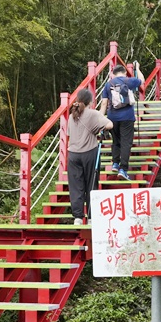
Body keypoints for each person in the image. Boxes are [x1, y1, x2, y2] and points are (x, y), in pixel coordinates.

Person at [67, 88, 112, 225]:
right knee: (91, 184)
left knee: (76, 186)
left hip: (73, 155)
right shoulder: (93, 113)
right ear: (90, 102)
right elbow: (110, 124)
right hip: (89, 152)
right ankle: (92, 217)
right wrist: (100, 129)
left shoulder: (71, 115)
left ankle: (78, 217)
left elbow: (69, 133)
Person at [99, 63, 144, 180]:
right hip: (127, 117)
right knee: (126, 143)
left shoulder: (109, 85)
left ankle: (115, 163)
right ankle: (123, 169)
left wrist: (100, 120)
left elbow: (104, 103)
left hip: (112, 118)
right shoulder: (129, 81)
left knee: (116, 140)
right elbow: (142, 80)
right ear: (124, 72)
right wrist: (137, 69)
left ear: (113, 74)